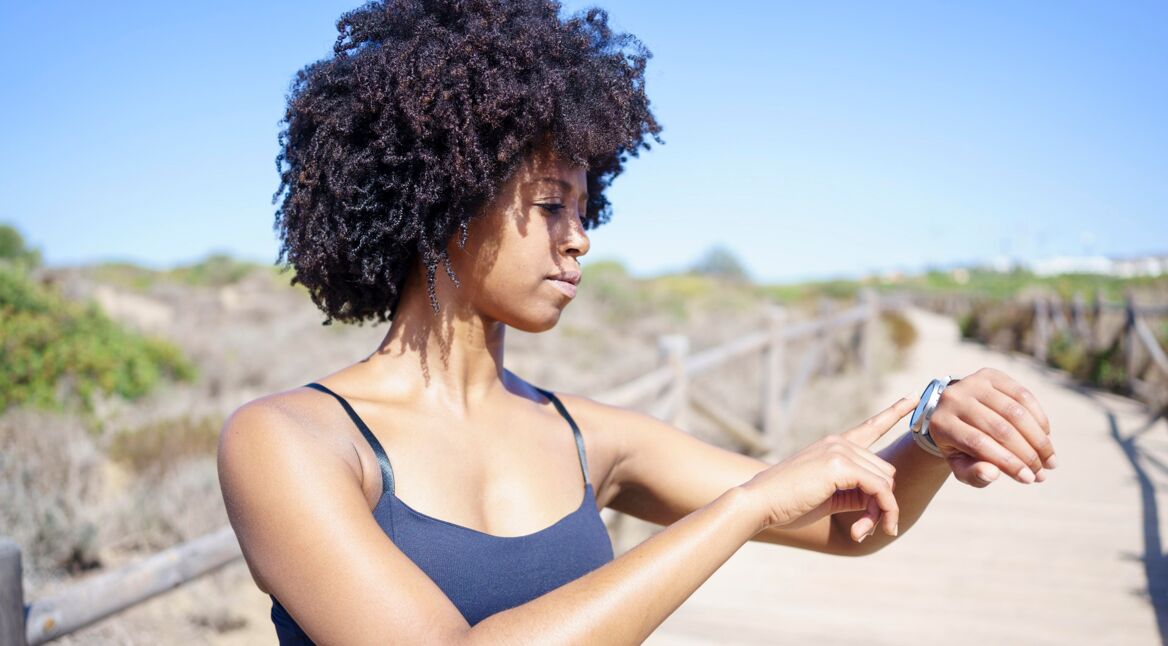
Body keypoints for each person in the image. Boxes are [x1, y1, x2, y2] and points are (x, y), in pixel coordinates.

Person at [216, 1, 1058, 644]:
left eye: (587, 207)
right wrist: (740, 508)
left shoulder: (588, 436)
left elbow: (847, 524)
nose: (580, 237)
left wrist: (935, 433)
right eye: (551, 205)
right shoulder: (290, 440)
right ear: (444, 200)